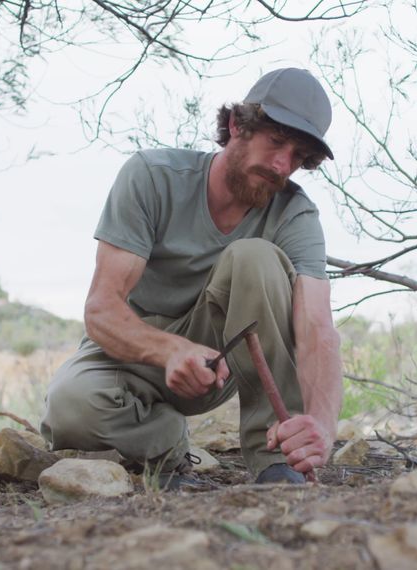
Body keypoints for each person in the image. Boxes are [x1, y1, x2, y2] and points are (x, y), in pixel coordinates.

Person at [40, 68, 343, 488]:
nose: (281, 165)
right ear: (238, 124)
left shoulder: (294, 213)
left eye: (297, 156)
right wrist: (170, 351)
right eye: (275, 141)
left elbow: (317, 328)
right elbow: (102, 309)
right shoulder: (152, 176)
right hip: (134, 350)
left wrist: (322, 427)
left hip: (217, 363)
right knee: (69, 407)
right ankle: (164, 441)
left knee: (254, 257)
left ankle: (278, 458)